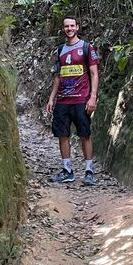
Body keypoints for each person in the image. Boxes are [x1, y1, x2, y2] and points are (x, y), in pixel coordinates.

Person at [45, 15, 99, 185]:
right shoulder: (60, 49)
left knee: (84, 134)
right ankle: (67, 170)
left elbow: (94, 73)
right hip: (63, 100)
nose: (69, 29)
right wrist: (52, 99)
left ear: (77, 27)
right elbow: (58, 76)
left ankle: (89, 171)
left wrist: (92, 97)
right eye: (66, 26)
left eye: (72, 26)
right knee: (63, 135)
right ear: (63, 29)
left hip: (81, 99)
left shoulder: (86, 47)